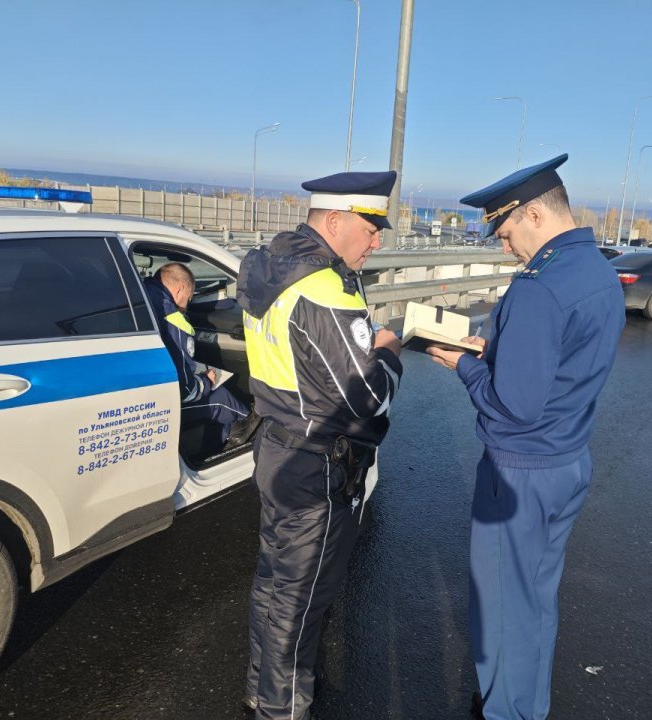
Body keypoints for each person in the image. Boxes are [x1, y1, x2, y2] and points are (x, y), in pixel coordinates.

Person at [426, 154, 625, 720]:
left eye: (507, 231)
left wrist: (465, 366)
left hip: (520, 471)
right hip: (567, 459)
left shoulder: (539, 287)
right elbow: (563, 362)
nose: (505, 245)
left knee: (503, 610)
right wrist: (497, 354)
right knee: (535, 599)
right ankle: (525, 704)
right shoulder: (597, 271)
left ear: (534, 214)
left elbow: (513, 408)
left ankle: (507, 711)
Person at [237, 170, 403, 719]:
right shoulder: (324, 288)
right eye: (370, 228)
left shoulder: (267, 264)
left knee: (273, 582)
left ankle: (260, 688)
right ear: (334, 221)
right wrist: (387, 352)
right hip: (316, 466)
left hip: (276, 446)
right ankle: (282, 709)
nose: (376, 242)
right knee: (301, 599)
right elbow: (367, 397)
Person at [143, 262, 255, 452]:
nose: (188, 304)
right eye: (189, 297)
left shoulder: (144, 291)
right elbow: (186, 392)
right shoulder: (172, 318)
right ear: (180, 289)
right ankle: (243, 443)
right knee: (223, 400)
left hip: (144, 389)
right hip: (160, 405)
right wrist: (205, 381)